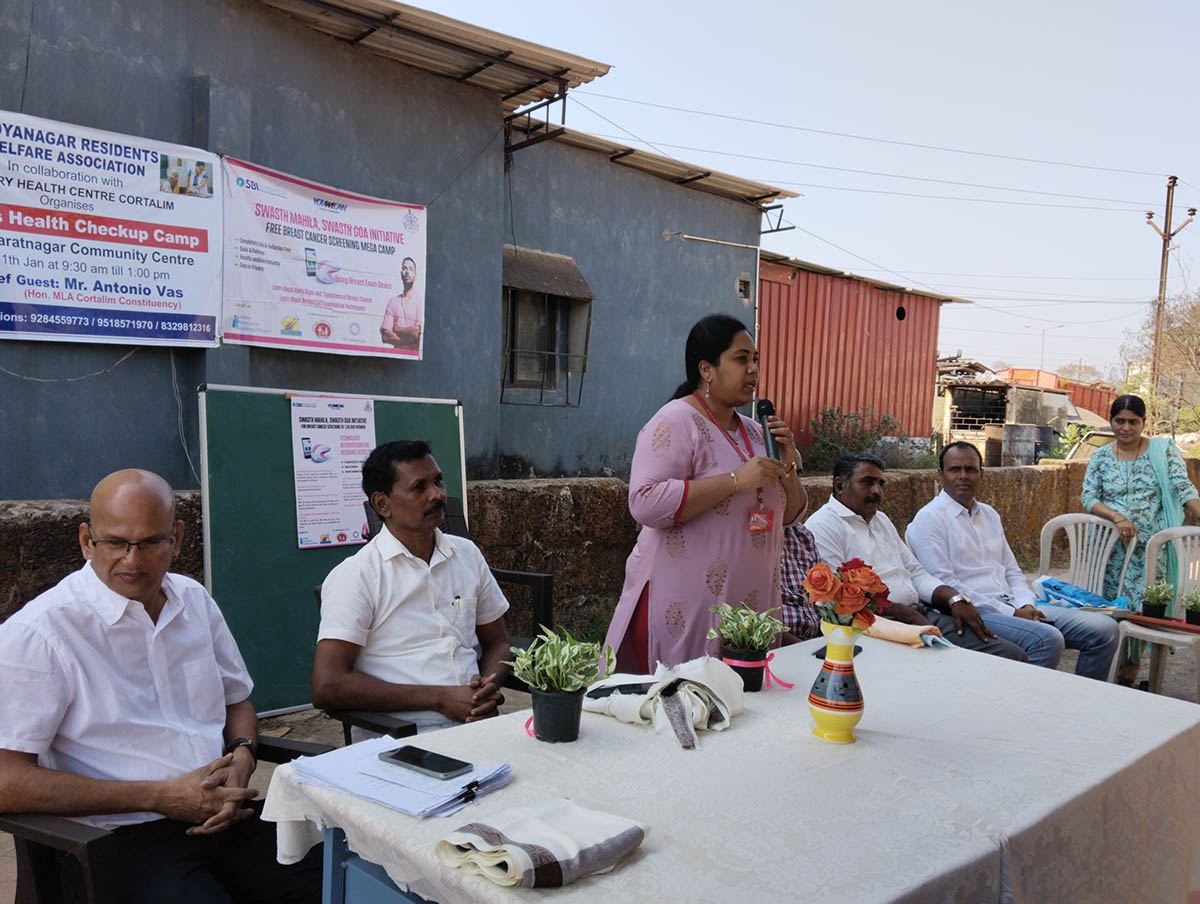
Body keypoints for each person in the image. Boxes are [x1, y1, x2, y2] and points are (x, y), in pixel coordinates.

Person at [0, 469, 321, 903]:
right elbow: (7, 780)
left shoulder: (193, 600)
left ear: (178, 537)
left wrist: (242, 754)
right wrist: (160, 797)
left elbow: (237, 700)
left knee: (348, 881)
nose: (133, 561)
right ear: (85, 540)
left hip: (225, 817)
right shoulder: (41, 633)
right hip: (119, 836)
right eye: (115, 542)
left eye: (151, 542)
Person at [603, 313, 807, 671]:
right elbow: (644, 501)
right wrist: (735, 481)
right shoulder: (676, 420)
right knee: (689, 706)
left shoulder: (756, 431)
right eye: (741, 359)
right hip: (688, 603)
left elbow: (789, 517)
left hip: (752, 607)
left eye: (755, 359)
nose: (753, 370)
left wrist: (788, 463)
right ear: (707, 369)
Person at [312, 440, 510, 734]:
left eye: (438, 481)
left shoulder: (466, 554)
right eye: (419, 487)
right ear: (382, 504)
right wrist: (440, 698)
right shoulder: (357, 575)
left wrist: (485, 688)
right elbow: (327, 686)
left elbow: (498, 642)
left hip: (476, 723)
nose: (437, 494)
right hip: (400, 735)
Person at [907, 442, 1119, 679]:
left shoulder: (988, 514)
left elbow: (1012, 571)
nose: (963, 476)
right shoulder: (929, 519)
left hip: (1012, 603)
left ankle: (1082, 699)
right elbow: (945, 583)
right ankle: (1024, 707)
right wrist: (1011, 613)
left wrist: (1026, 604)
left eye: (971, 469)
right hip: (977, 611)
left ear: (982, 474)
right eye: (955, 469)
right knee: (1047, 639)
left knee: (1104, 629)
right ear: (940, 474)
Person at [805, 452, 1027, 661]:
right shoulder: (823, 525)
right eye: (867, 482)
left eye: (880, 484)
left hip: (919, 614)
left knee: (1012, 654)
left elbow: (916, 573)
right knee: (989, 661)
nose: (877, 492)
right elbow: (839, 598)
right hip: (879, 626)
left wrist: (954, 598)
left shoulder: (880, 519)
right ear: (839, 485)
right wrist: (907, 616)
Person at [1082, 393, 1200, 680]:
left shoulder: (1162, 451)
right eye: (1119, 421)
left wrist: (1196, 510)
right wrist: (1117, 517)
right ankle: (1108, 663)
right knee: (1111, 605)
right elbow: (1089, 497)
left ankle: (1131, 668)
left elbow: (1181, 485)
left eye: (1133, 422)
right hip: (1111, 548)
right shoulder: (1099, 456)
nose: (1126, 428)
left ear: (1143, 422)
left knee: (1141, 608)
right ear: (1110, 421)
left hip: (1150, 548)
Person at [779, 523, 824, 641]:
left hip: (815, 637)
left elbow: (822, 594)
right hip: (776, 646)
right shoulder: (753, 538)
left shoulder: (802, 534)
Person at [380, 257, 422, 350]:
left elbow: (415, 333)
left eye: (411, 269)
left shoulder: (420, 302)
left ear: (415, 275)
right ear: (401, 274)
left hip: (413, 359)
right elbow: (385, 336)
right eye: (404, 268)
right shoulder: (392, 302)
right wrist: (408, 340)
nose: (407, 272)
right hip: (396, 358)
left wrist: (397, 329)